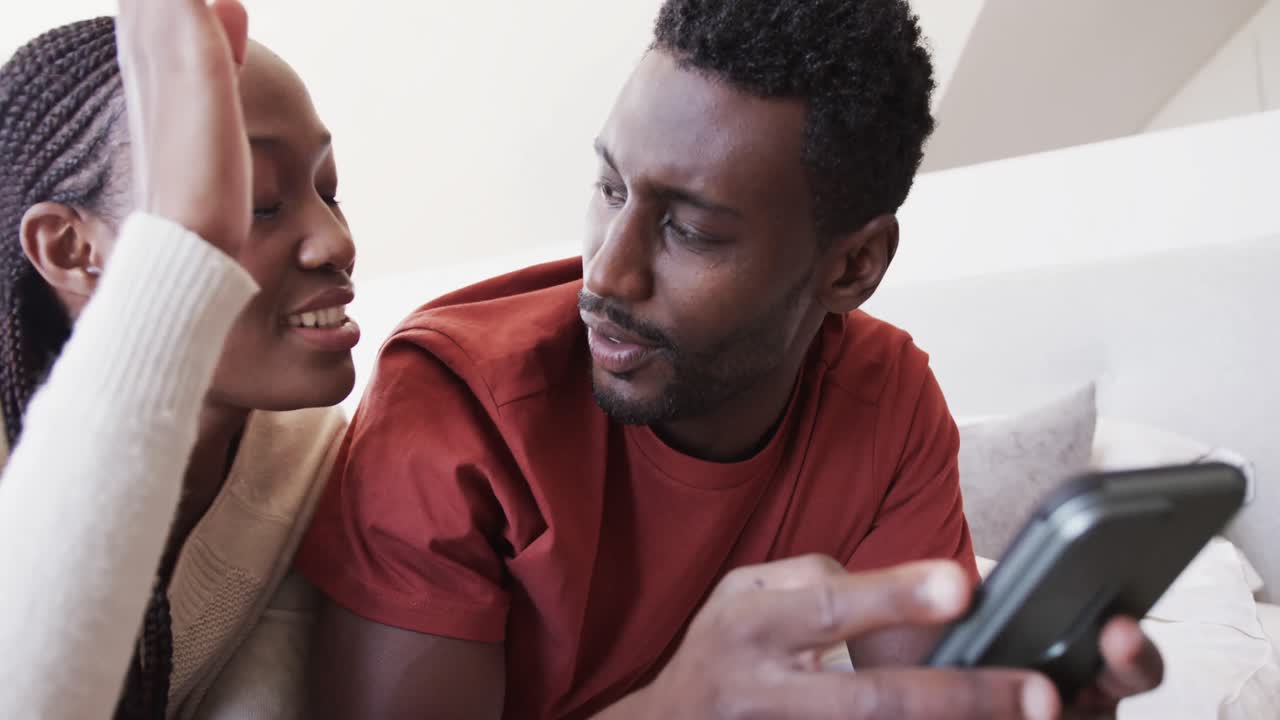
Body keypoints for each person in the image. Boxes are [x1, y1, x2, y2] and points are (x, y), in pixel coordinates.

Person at [299, 0, 1163, 718]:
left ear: (853, 267)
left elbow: (926, 699)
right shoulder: (456, 411)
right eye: (610, 189)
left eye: (691, 230)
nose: (607, 274)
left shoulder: (886, 402)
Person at [0, 2, 358, 717]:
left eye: (329, 190)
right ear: (71, 249)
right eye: (259, 202)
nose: (336, 242)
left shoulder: (312, 465)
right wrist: (183, 249)